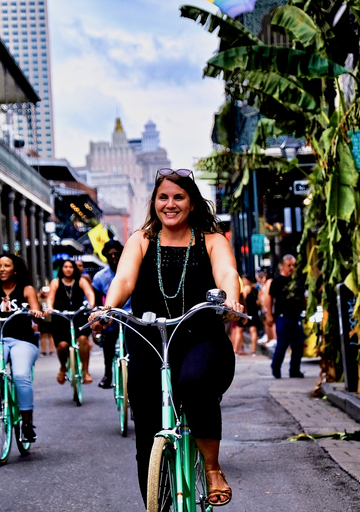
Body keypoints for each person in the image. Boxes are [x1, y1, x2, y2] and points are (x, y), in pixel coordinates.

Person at [90, 167, 243, 507]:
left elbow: (227, 272)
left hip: (202, 337)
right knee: (146, 420)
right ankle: (155, 500)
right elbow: (124, 280)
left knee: (194, 381)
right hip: (150, 341)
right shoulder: (142, 239)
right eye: (163, 197)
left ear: (191, 203)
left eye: (178, 197)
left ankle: (213, 467)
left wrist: (231, 298)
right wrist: (107, 308)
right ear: (154, 202)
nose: (170, 204)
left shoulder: (211, 239)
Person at [0, 254, 44, 442]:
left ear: (15, 269)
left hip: (24, 340)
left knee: (21, 375)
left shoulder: (27, 289)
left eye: (6, 265)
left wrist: (36, 313)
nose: (2, 269)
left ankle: (26, 422)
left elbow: (36, 314)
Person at [46, 259, 95, 384]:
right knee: (62, 346)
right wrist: (50, 308)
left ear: (74, 269)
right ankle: (63, 367)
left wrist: (91, 304)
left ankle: (85, 371)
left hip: (78, 315)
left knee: (83, 340)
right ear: (61, 269)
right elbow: (50, 297)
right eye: (65, 266)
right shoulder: (56, 282)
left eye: (70, 267)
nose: (68, 269)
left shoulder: (81, 281)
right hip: (61, 317)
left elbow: (90, 294)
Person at [91, 240, 131, 389]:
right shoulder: (99, 277)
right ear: (105, 256)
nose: (113, 257)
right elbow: (95, 303)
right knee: (109, 338)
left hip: (131, 317)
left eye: (116, 254)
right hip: (112, 317)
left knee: (131, 344)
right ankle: (108, 374)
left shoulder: (131, 272)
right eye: (110, 255)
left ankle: (132, 374)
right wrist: (97, 323)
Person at [265, 255, 306, 379]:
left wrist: (305, 309)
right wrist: (269, 315)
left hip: (296, 317)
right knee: (282, 344)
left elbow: (303, 296)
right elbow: (269, 298)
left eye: (293, 265)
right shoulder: (277, 281)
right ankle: (276, 367)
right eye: (289, 265)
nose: (291, 268)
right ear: (282, 266)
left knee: (298, 344)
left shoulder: (298, 280)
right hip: (283, 317)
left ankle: (295, 370)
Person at [242, 275, 261, 356]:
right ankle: (253, 350)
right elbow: (259, 300)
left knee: (241, 330)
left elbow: (243, 300)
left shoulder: (246, 288)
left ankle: (251, 349)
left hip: (248, 311)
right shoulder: (255, 288)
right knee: (253, 330)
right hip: (254, 311)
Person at [256, 270, 275, 346]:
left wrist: (268, 309)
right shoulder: (263, 286)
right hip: (264, 308)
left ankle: (274, 338)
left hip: (269, 307)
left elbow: (268, 297)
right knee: (266, 323)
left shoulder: (269, 283)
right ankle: (269, 337)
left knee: (271, 323)